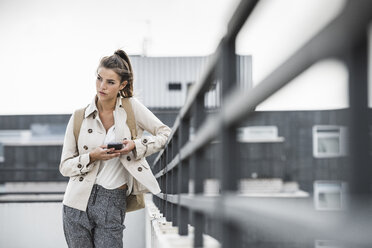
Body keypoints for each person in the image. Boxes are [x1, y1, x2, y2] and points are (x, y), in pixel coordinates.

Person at [59, 49, 171, 248]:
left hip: (112, 200)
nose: (102, 86)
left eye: (110, 82)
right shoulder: (78, 117)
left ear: (122, 85)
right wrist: (91, 157)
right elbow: (65, 167)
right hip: (75, 203)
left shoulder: (131, 108)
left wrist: (136, 146)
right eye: (99, 78)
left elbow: (166, 134)